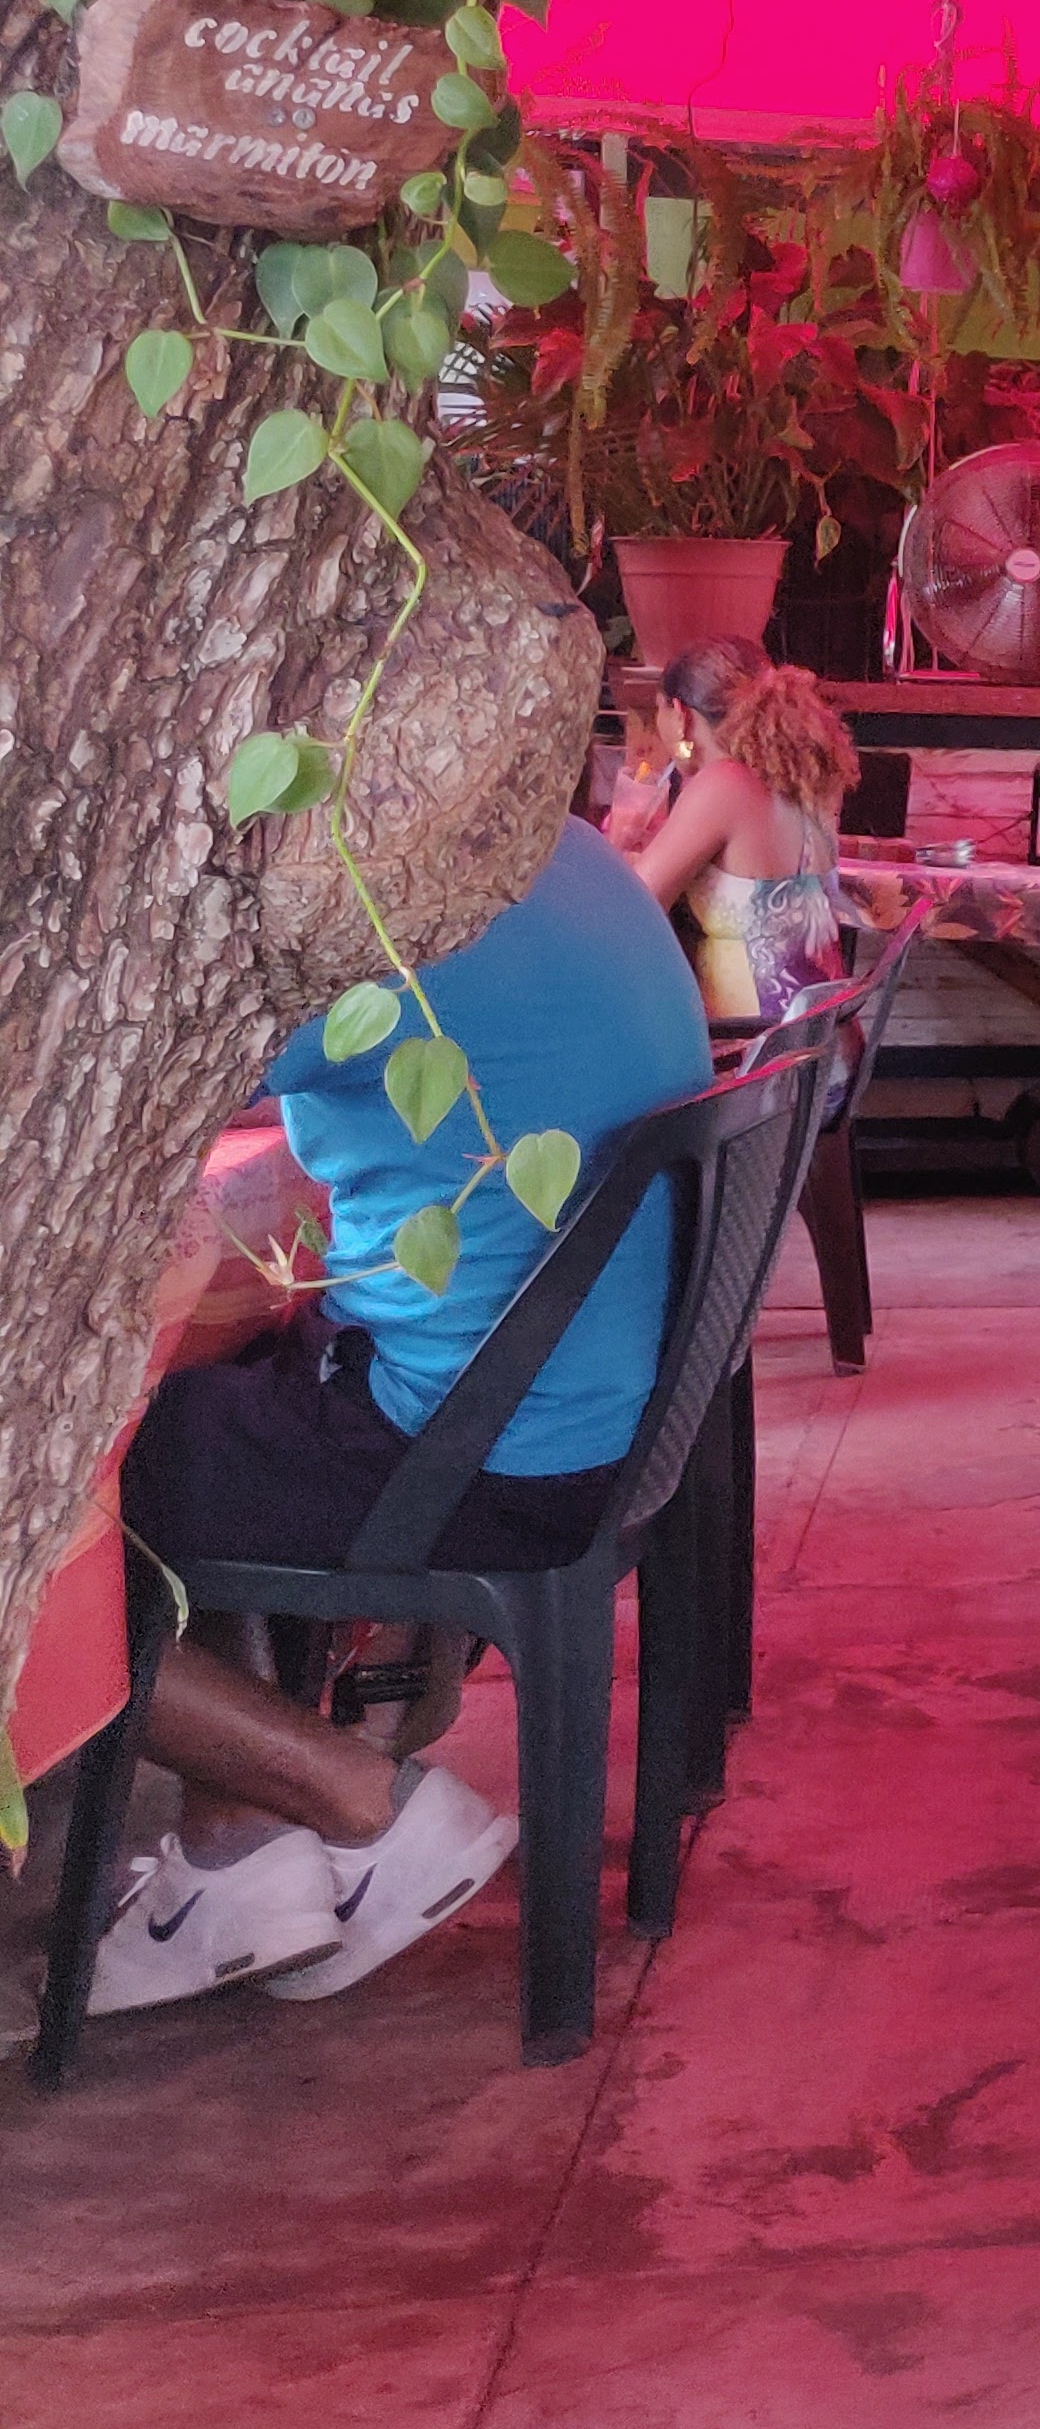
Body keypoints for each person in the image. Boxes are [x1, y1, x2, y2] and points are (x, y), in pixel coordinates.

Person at [92, 821, 715, 2012]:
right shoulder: (557, 848)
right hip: (603, 1422)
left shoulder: (367, 895)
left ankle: (360, 1804)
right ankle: (236, 1854)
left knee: (59, 1498)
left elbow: (132, 1075)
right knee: (208, 1412)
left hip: (483, 1452)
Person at [604, 637, 856, 1022]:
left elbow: (629, 913)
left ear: (680, 714)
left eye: (658, 711)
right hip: (818, 1036)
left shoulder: (723, 783)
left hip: (756, 1046)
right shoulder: (799, 781)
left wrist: (616, 843)